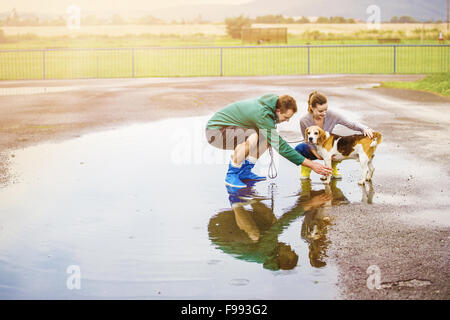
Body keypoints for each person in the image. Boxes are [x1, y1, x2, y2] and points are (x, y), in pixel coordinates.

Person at [205, 94, 332, 188]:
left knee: (266, 138)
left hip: (230, 129)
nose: (287, 120)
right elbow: (281, 147)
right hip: (215, 132)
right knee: (254, 136)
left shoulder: (271, 107)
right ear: (278, 111)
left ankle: (245, 171)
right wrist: (312, 164)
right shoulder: (263, 115)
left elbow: (273, 139)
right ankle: (232, 174)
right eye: (286, 117)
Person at [295, 91, 374, 180]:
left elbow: (350, 123)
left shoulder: (331, 115)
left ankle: (332, 167)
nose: (324, 113)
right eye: (320, 111)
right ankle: (307, 167)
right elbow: (308, 142)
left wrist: (364, 128)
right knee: (299, 149)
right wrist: (318, 155)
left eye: (326, 110)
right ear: (311, 108)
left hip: (330, 146)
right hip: (315, 147)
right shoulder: (304, 121)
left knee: (342, 142)